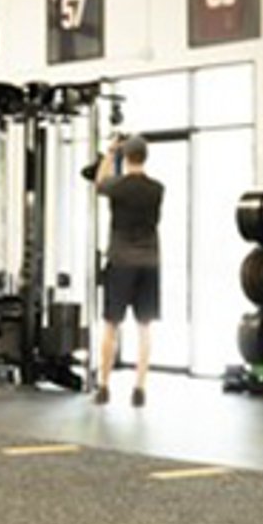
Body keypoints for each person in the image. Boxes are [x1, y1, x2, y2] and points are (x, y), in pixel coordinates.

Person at [92, 134, 164, 406]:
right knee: (144, 327)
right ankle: (140, 388)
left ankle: (104, 385)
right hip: (149, 262)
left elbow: (99, 182)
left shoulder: (118, 187)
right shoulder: (158, 189)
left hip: (121, 262)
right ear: (145, 157)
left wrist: (110, 154)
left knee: (111, 324)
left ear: (127, 156)